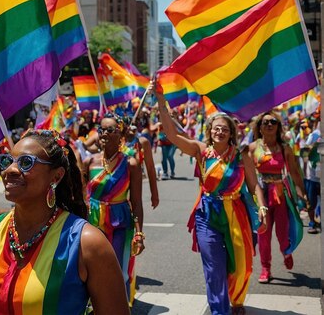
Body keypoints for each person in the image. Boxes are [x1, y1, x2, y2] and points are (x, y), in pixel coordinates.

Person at [0, 129, 130, 314]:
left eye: (26, 162)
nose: (10, 170)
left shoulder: (87, 243)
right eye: (6, 161)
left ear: (56, 176)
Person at [150, 80, 266, 315]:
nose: (220, 131)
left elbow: (254, 185)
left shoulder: (241, 155)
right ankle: (219, 311)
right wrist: (161, 100)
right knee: (214, 267)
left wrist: (262, 208)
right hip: (207, 215)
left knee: (241, 266)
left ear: (231, 132)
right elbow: (171, 134)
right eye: (216, 128)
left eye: (225, 128)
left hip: (237, 214)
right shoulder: (201, 151)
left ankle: (237, 299)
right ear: (210, 131)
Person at [83, 113, 144, 305]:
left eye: (110, 130)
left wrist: (139, 233)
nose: (104, 133)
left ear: (121, 134)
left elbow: (136, 201)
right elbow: (82, 197)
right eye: (101, 129)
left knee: (118, 268)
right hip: (93, 222)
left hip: (120, 221)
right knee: (92, 268)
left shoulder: (131, 164)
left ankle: (120, 307)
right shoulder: (89, 162)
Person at [248, 111, 307, 283]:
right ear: (259, 127)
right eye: (265, 122)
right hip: (261, 195)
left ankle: (286, 251)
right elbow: (247, 174)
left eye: (273, 122)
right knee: (263, 234)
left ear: (278, 126)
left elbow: (295, 173)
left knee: (282, 233)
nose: (269, 125)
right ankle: (266, 269)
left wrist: (302, 194)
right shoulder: (252, 148)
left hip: (280, 195)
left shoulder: (285, 148)